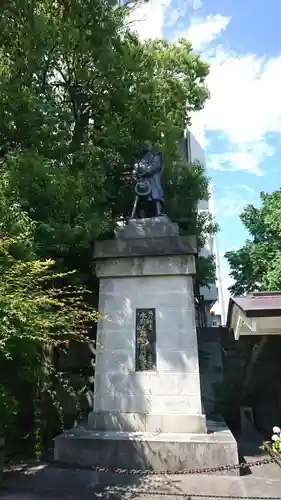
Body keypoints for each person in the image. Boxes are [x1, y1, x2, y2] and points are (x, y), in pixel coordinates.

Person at [132, 140, 164, 217]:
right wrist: (138, 169)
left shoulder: (156, 155)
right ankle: (138, 214)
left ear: (151, 146)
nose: (146, 146)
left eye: (148, 144)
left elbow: (152, 168)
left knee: (155, 189)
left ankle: (158, 211)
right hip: (141, 180)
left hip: (151, 178)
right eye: (144, 144)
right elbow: (136, 168)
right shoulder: (140, 158)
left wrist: (142, 168)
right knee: (139, 190)